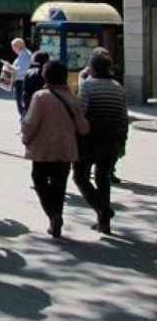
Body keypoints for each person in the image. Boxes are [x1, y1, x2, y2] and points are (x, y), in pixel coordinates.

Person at [21, 61, 89, 238]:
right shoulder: (72, 98)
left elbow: (30, 123)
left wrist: (25, 138)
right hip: (66, 150)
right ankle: (56, 217)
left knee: (39, 181)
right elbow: (83, 128)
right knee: (60, 186)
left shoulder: (40, 96)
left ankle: (53, 215)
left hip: (43, 151)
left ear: (46, 76)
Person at [73, 55, 128, 235]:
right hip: (112, 138)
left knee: (80, 176)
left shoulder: (88, 86)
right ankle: (104, 222)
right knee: (103, 177)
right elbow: (123, 117)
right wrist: (122, 142)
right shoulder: (118, 88)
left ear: (92, 68)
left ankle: (103, 210)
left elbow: (80, 112)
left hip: (90, 139)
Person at [20, 51, 50, 116]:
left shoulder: (29, 71)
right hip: (43, 102)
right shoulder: (47, 71)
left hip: (30, 101)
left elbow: (25, 89)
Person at [11, 37, 33, 119]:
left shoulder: (25, 54)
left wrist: (12, 69)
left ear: (17, 46)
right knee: (21, 104)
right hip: (20, 82)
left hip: (21, 82)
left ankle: (24, 123)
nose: (13, 50)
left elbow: (23, 70)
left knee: (21, 105)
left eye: (13, 47)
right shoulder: (22, 54)